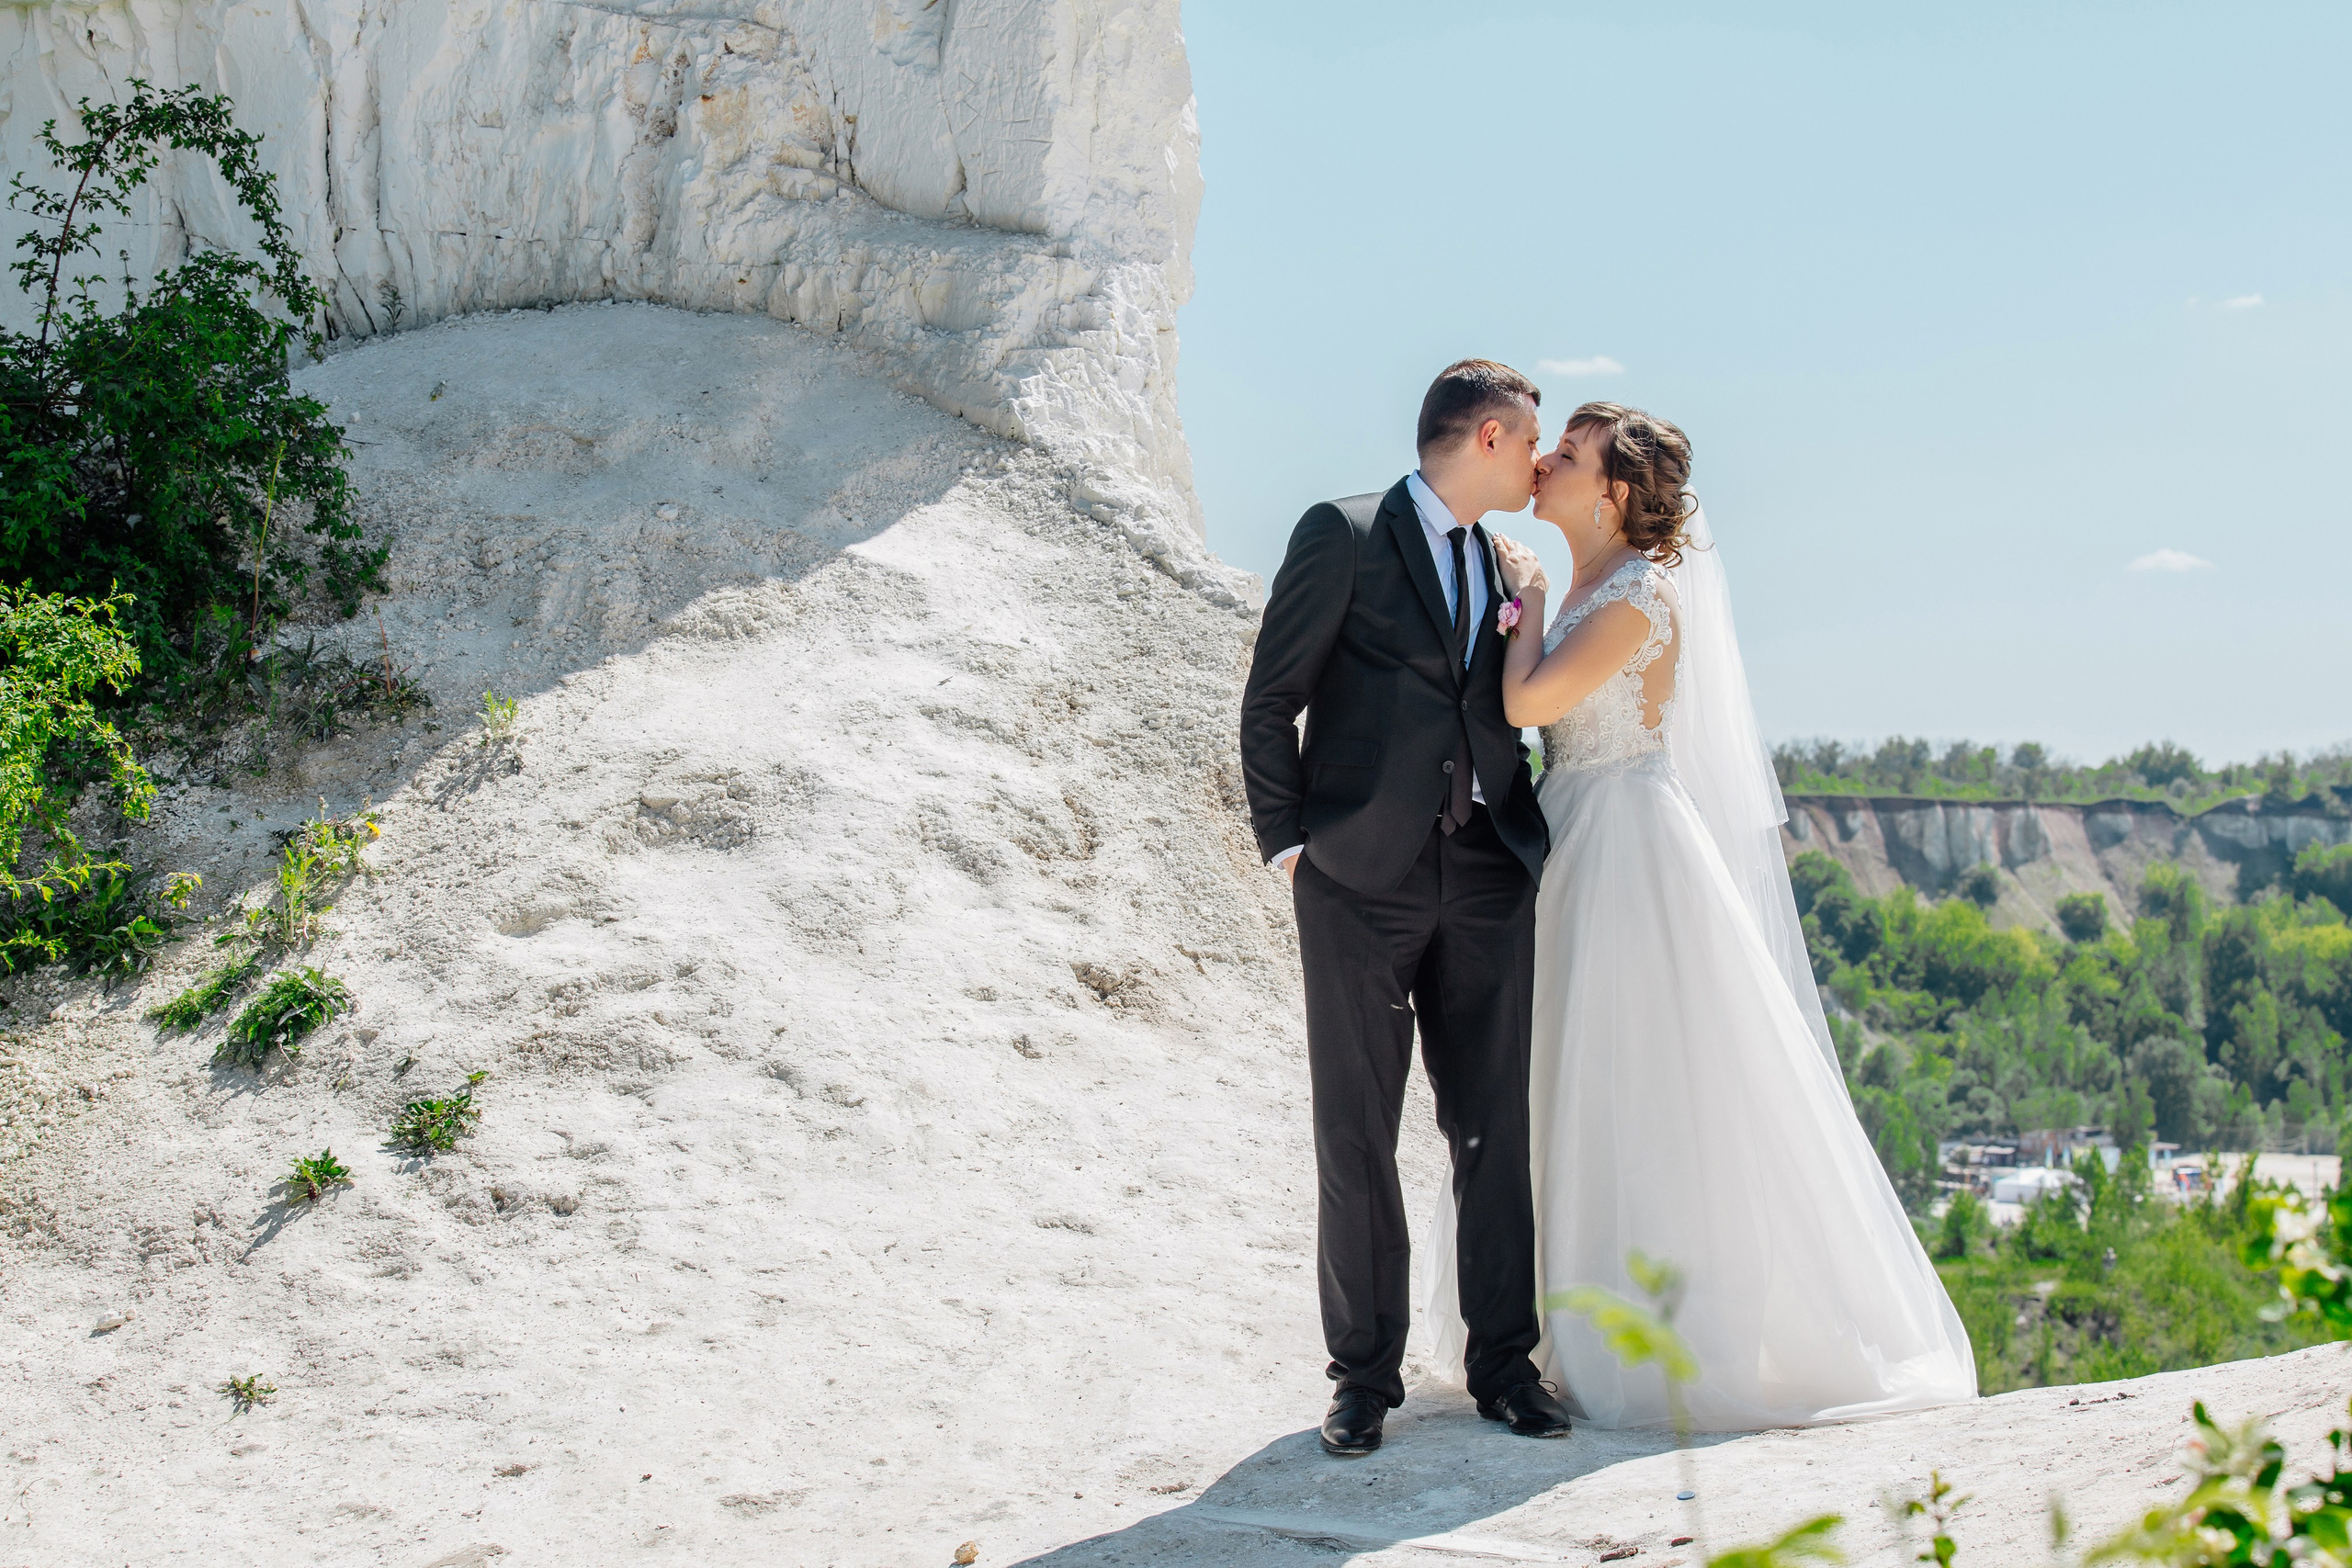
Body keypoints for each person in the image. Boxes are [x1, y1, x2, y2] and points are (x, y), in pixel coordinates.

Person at [1420, 401, 1977, 1429]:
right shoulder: (1595, 579)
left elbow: (1532, 706)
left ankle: (1649, 1332)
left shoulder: (1640, 594)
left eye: (1569, 456)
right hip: (1572, 831)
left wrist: (1527, 602)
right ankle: (1539, 1321)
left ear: (1616, 493)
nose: (1543, 463)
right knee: (1555, 1079)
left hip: (1628, 846)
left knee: (1631, 1081)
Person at [1239, 359, 1575, 1456]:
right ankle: (1363, 1381)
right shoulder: (1340, 533)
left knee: (1492, 1127)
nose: (1541, 458)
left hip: (1483, 873)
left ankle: (1502, 1367)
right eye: (1530, 441)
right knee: (1357, 1132)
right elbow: (1272, 698)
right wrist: (1292, 846)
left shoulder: (1499, 560)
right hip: (1356, 883)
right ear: (1486, 436)